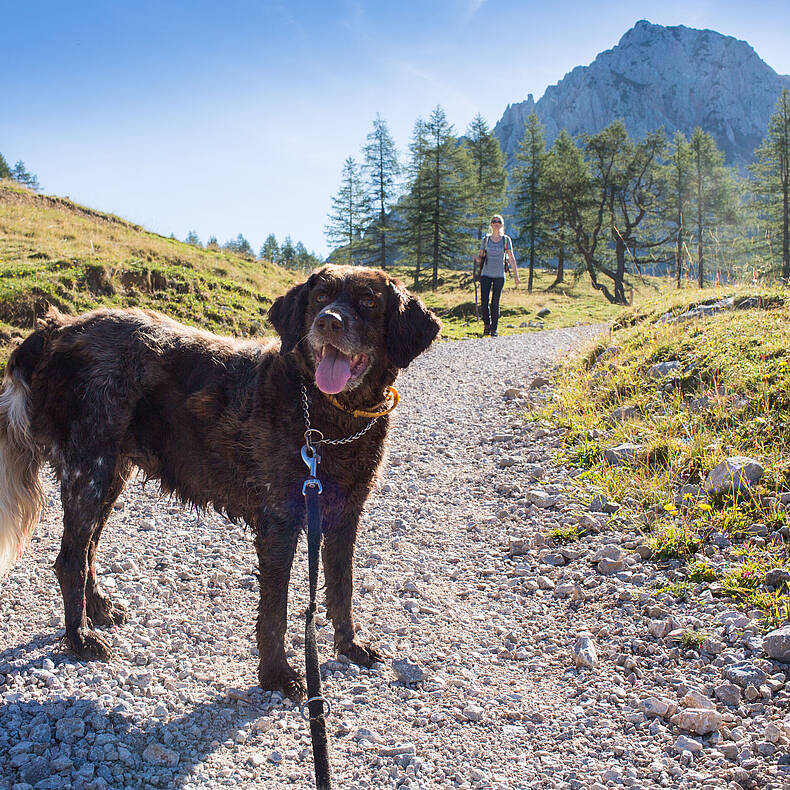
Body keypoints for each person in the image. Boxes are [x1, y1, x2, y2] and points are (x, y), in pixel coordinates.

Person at [474, 214, 519, 337]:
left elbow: (511, 258)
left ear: (502, 224)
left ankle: (494, 328)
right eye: (494, 221)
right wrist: (476, 259)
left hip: (499, 275)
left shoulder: (505, 240)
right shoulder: (486, 240)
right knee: (484, 301)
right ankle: (487, 326)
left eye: (498, 221)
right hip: (485, 274)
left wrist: (516, 276)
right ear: (491, 224)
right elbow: (481, 256)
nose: (496, 223)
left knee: (495, 302)